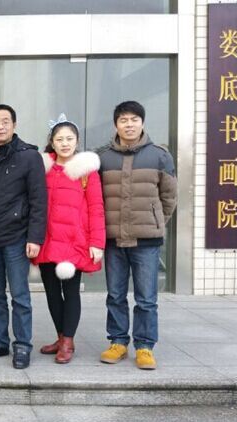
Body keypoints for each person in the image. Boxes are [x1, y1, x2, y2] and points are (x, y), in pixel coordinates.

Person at [97, 101, 177, 370]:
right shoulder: (103, 157)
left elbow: (169, 197)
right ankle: (118, 342)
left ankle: (144, 346)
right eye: (123, 120)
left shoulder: (160, 156)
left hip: (146, 241)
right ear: (116, 124)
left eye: (134, 119)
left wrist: (155, 221)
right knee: (115, 295)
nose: (129, 125)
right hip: (113, 239)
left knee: (146, 298)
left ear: (142, 122)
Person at [0, 104, 47, 369]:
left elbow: (39, 201)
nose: (1, 126)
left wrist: (35, 238)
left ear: (14, 125)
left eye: (5, 121)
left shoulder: (30, 157)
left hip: (17, 237)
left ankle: (23, 345)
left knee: (19, 296)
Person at [32, 114, 105, 364]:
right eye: (59, 139)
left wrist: (97, 242)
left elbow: (96, 207)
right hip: (47, 239)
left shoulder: (86, 170)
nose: (65, 143)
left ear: (77, 141)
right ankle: (61, 336)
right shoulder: (42, 167)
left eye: (69, 138)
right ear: (52, 142)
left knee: (71, 292)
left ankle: (68, 342)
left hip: (74, 241)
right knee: (52, 293)